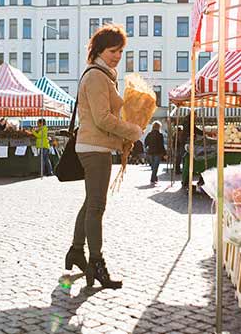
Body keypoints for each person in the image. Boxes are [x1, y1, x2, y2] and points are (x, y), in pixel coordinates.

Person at [65, 25, 142, 289]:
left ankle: (76, 251)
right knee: (97, 207)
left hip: (93, 146)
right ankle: (96, 263)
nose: (117, 56)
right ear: (99, 49)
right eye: (113, 51)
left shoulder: (105, 75)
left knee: (90, 204)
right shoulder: (98, 77)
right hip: (95, 150)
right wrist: (133, 130)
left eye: (121, 51)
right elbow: (103, 118)